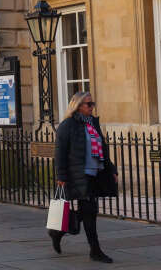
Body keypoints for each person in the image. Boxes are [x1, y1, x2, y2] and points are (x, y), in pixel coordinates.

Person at [54, 91, 118, 263]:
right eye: (88, 104)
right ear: (78, 106)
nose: (91, 107)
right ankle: (95, 251)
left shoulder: (92, 124)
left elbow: (103, 148)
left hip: (95, 173)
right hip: (78, 174)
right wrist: (61, 175)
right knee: (89, 211)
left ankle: (58, 231)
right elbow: (60, 153)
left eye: (92, 104)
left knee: (88, 211)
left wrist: (112, 169)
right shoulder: (67, 126)